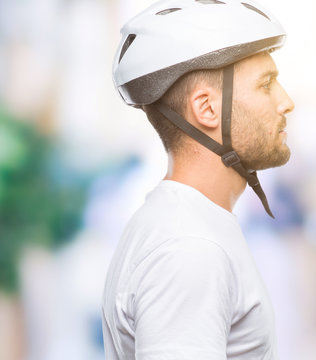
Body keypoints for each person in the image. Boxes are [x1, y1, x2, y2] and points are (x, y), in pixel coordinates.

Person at [101, 0, 295, 358]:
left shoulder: (190, 226)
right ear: (206, 109)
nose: (287, 102)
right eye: (266, 85)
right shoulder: (188, 247)